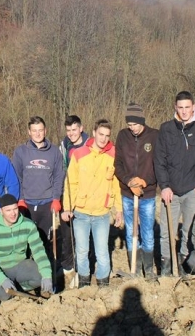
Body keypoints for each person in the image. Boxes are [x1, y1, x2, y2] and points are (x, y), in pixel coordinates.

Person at [154, 91, 195, 276]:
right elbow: (160, 160)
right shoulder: (166, 129)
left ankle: (184, 264)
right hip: (171, 192)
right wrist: (164, 186)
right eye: (180, 107)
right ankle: (166, 268)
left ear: (194, 107)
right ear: (175, 107)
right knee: (167, 232)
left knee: (189, 231)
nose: (184, 111)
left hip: (193, 191)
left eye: (187, 107)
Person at [62, 119, 123, 287]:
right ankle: (84, 283)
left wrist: (119, 209)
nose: (103, 139)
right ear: (94, 133)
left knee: (102, 251)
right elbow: (71, 183)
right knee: (81, 251)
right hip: (81, 212)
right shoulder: (79, 153)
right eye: (101, 134)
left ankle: (103, 284)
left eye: (107, 136)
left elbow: (116, 184)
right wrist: (67, 207)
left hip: (102, 213)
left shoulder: (113, 155)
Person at [114, 103, 159, 279]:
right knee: (131, 231)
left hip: (147, 194)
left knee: (147, 231)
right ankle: (135, 268)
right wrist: (129, 181)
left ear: (142, 121)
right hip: (127, 193)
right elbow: (117, 164)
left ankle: (148, 269)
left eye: (135, 124)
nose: (132, 128)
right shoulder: (123, 136)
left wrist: (145, 181)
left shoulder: (154, 136)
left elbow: (159, 165)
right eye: (129, 125)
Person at [0, 194, 53, 301]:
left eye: (15, 209)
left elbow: (38, 251)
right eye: (8, 210)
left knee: (41, 277)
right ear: (1, 211)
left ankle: (19, 288)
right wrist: (2, 279)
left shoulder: (28, 225)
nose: (13, 213)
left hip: (20, 265)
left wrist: (47, 275)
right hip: (1, 268)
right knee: (4, 296)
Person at [11, 117, 65, 250]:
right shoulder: (20, 151)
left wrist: (56, 198)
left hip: (47, 203)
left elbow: (59, 176)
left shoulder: (54, 152)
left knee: (43, 240)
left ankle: (44, 267)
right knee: (25, 240)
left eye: (40, 130)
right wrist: (20, 198)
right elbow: (16, 177)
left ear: (45, 131)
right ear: (29, 132)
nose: (38, 133)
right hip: (27, 203)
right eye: (34, 131)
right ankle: (27, 267)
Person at [58, 115, 89, 285]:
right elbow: (61, 168)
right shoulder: (64, 145)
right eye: (68, 130)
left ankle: (82, 268)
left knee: (82, 235)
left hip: (85, 196)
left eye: (74, 130)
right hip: (68, 192)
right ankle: (67, 266)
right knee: (67, 233)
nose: (71, 133)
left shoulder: (89, 145)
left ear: (81, 128)